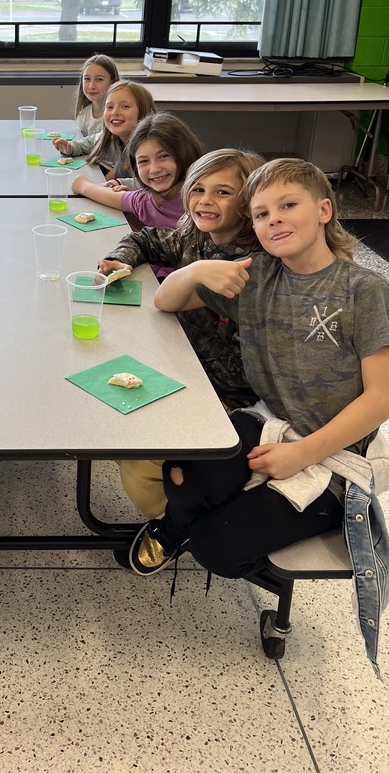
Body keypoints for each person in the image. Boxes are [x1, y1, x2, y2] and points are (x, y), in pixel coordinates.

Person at [130, 158, 389, 625]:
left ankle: (216, 526)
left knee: (217, 547)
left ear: (324, 210)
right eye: (262, 214)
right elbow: (166, 301)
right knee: (182, 473)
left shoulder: (363, 290)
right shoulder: (255, 276)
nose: (275, 220)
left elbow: (381, 398)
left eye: (288, 205)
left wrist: (303, 453)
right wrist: (197, 270)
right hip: (269, 421)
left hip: (337, 450)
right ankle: (176, 527)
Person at [98, 148, 265, 518]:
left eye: (223, 192)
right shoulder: (194, 236)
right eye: (198, 189)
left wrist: (174, 368)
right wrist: (122, 258)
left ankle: (174, 525)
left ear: (249, 202)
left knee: (140, 460)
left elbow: (244, 373)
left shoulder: (251, 267)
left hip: (223, 396)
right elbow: (147, 239)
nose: (205, 200)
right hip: (181, 363)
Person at [71, 113, 203, 254]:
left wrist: (82, 185)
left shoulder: (150, 201)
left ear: (184, 153)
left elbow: (88, 188)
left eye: (163, 156)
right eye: (144, 161)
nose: (154, 169)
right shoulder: (147, 199)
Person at [53, 80, 155, 183]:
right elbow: (91, 142)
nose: (115, 112)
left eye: (125, 106)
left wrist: (113, 181)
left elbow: (147, 184)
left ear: (144, 112)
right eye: (109, 107)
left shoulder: (148, 146)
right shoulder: (111, 137)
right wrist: (70, 148)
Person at [70, 54, 120, 138]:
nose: (91, 86)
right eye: (87, 79)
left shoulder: (119, 116)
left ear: (112, 82)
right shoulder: (83, 117)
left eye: (99, 79)